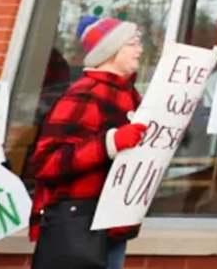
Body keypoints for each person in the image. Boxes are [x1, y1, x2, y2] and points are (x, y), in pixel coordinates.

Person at [29, 15, 146, 269]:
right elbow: (46, 162)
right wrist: (109, 143)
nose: (140, 49)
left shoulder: (131, 96)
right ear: (111, 49)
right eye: (133, 43)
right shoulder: (85, 93)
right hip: (79, 225)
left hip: (112, 223)